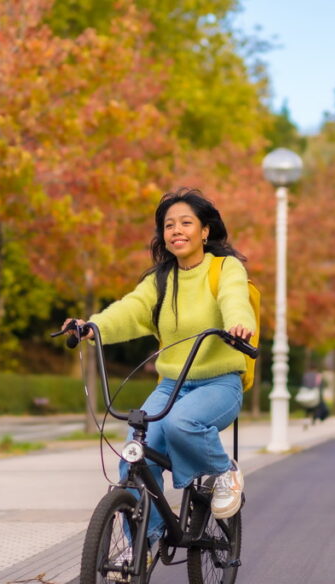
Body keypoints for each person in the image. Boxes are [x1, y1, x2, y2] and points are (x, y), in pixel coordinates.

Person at [64, 188, 256, 551]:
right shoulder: (160, 279)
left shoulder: (224, 268)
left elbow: (235, 299)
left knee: (180, 422)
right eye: (169, 225)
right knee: (134, 456)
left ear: (204, 231)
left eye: (186, 223)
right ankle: (147, 543)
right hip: (172, 384)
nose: (176, 231)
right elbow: (130, 309)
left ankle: (224, 472)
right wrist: (93, 326)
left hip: (219, 384)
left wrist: (238, 325)